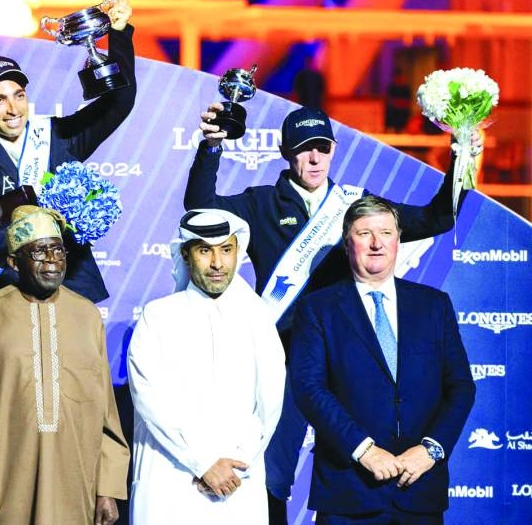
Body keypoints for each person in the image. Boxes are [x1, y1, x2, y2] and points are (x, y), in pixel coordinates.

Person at [182, 103, 481, 522]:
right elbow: (200, 210)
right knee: (273, 474)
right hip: (285, 359)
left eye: (323, 148)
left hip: (349, 359)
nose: (315, 158)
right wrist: (211, 147)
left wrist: (462, 157)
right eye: (305, 149)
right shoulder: (261, 202)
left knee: (360, 462)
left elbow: (439, 216)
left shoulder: (357, 206)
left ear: (335, 150)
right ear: (287, 151)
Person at [0, 0, 134, 304]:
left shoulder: (57, 134)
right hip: (10, 292)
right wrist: (21, 239)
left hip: (72, 289)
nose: (13, 109)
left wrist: (118, 34)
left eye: (19, 95)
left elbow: (119, 103)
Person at [289, 195, 475, 523]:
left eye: (386, 233)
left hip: (419, 490)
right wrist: (364, 450)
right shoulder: (318, 309)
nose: (377, 243)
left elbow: (460, 387)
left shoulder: (434, 305)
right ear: (347, 245)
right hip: (349, 493)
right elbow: (308, 389)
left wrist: (430, 450)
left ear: (399, 241)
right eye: (364, 234)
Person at [0, 205, 129, 525]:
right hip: (6, 487)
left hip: (78, 484)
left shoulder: (87, 315)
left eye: (58, 250)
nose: (52, 260)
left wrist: (109, 487)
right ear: (13, 261)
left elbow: (107, 414)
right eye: (38, 252)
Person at [128, 209, 285, 523]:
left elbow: (270, 403)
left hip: (238, 479)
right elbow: (150, 402)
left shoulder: (256, 317)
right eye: (205, 251)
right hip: (171, 479)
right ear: (186, 255)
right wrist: (202, 464)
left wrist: (237, 461)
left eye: (226, 250)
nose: (217, 263)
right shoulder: (157, 316)